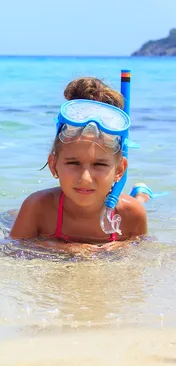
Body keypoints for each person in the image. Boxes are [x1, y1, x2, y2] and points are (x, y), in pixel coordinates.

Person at [9, 77, 161, 243]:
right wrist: (71, 249)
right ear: (53, 166)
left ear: (119, 170)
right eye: (73, 163)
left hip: (128, 203)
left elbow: (137, 252)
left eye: (100, 164)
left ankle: (141, 195)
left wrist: (119, 248)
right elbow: (13, 250)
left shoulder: (132, 214)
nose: (85, 178)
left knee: (136, 203)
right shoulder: (37, 207)